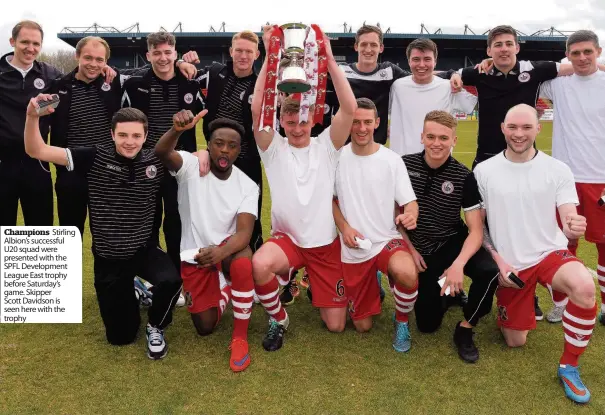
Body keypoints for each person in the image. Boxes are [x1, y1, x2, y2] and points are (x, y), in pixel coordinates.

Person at [24, 96, 182, 360]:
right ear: (112, 134)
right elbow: (36, 150)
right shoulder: (93, 156)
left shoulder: (155, 162)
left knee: (171, 281)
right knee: (120, 337)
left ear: (145, 136)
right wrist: (32, 117)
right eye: (122, 135)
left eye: (135, 135)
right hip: (109, 258)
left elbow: (193, 164)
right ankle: (134, 289)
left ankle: (155, 326)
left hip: (143, 250)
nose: (129, 141)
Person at [474, 104, 597, 403]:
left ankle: (569, 366)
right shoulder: (483, 171)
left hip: (548, 254)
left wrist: (572, 226)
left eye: (526, 127)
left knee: (583, 286)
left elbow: (568, 216)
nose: (519, 134)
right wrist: (497, 262)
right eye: (513, 127)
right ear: (502, 127)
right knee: (515, 341)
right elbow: (479, 228)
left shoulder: (557, 169)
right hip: (510, 264)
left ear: (538, 129)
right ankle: (526, 298)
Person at [249, 26, 357, 352]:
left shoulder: (327, 146)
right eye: (290, 122)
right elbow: (258, 110)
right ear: (281, 122)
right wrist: (270, 56)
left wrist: (328, 56)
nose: (297, 128)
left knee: (337, 326)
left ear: (313, 121)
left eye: (303, 121)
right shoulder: (273, 149)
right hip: (289, 240)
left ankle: (305, 279)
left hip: (324, 246)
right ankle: (278, 317)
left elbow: (349, 109)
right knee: (259, 264)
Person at [155, 110, 259, 372]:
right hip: (195, 256)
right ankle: (226, 289)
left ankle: (239, 338)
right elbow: (161, 152)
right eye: (219, 144)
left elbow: (244, 234)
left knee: (243, 258)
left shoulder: (248, 186)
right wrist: (177, 131)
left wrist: (221, 252)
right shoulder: (190, 166)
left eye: (232, 146)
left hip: (226, 251)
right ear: (209, 145)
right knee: (204, 328)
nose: (225, 151)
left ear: (239, 150)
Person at [400, 110, 499, 363]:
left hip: (452, 241)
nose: (436, 143)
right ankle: (447, 295)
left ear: (454, 140)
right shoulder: (403, 165)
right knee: (426, 325)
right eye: (431, 136)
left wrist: (458, 264)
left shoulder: (464, 176)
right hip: (421, 249)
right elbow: (392, 212)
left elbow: (476, 230)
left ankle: (467, 325)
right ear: (421, 137)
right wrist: (410, 249)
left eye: (443, 138)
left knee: (488, 270)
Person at [332, 98, 419, 352]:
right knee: (362, 326)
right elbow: (331, 201)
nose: (361, 128)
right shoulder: (336, 158)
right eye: (356, 122)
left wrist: (411, 214)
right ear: (349, 124)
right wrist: (345, 228)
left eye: (367, 122)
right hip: (354, 247)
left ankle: (401, 320)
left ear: (377, 123)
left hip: (385, 240)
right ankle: (375, 279)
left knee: (407, 272)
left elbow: (410, 202)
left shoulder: (392, 160)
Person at [122, 31, 204, 272]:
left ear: (175, 53)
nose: (162, 58)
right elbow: (123, 123)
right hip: (145, 164)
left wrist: (204, 151)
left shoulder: (191, 82)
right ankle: (153, 274)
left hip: (180, 166)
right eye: (156, 53)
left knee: (177, 221)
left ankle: (178, 273)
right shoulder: (135, 84)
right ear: (148, 55)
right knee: (147, 221)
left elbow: (204, 116)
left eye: (168, 52)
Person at [539, 30, 605, 326]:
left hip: (601, 178)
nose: (581, 58)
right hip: (564, 179)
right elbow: (523, 72)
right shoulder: (558, 84)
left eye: (587, 52)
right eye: (575, 53)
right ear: (566, 56)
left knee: (604, 245)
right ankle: (560, 303)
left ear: (598, 52)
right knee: (563, 243)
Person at [182, 31, 265, 253]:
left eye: (248, 51)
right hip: (214, 159)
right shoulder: (213, 73)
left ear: (257, 54)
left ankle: (251, 269)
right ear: (231, 51)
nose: (243, 56)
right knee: (212, 214)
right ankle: (209, 269)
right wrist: (182, 62)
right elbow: (183, 74)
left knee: (249, 217)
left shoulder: (261, 85)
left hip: (247, 161)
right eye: (239, 50)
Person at [48, 36, 122, 239]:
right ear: (77, 56)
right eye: (88, 58)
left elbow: (151, 72)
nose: (94, 64)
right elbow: (36, 115)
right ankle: (70, 271)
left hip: (107, 172)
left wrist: (179, 62)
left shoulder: (115, 83)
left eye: (100, 60)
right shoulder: (57, 87)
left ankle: (110, 273)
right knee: (70, 235)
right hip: (70, 172)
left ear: (106, 62)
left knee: (108, 236)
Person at [0, 21, 62, 226]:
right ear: (12, 41)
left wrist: (104, 67)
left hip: (37, 163)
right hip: (3, 162)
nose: (30, 48)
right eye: (24, 42)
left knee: (40, 229)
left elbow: (78, 80)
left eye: (36, 43)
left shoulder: (50, 74)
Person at [389, 38, 477, 156]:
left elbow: (473, 105)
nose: (421, 64)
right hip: (402, 163)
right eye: (416, 59)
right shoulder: (397, 86)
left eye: (427, 59)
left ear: (435, 61)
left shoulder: (449, 87)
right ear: (409, 61)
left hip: (438, 164)